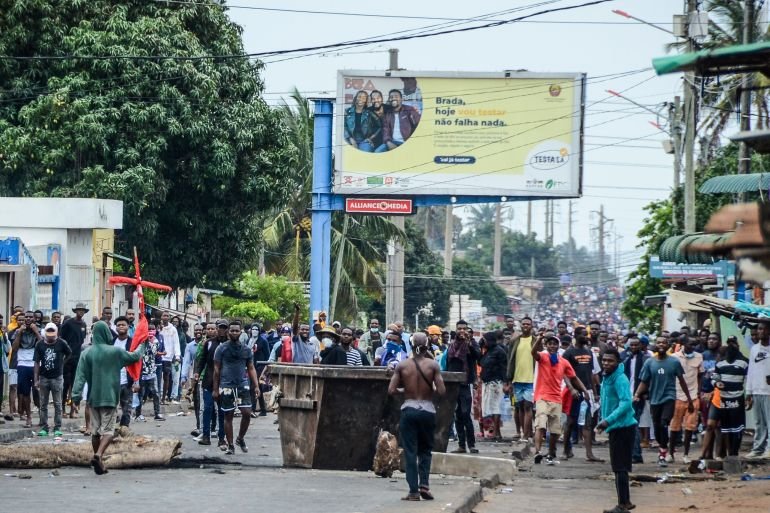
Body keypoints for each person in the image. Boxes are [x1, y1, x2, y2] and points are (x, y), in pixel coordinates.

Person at [71, 321, 146, 474]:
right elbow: (135, 356)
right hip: (110, 396)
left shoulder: (87, 353)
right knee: (109, 431)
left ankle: (98, 460)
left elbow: (79, 377)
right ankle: (98, 455)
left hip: (93, 398)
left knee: (95, 431)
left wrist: (76, 397)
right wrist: (142, 343)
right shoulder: (115, 352)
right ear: (107, 333)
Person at [388, 332, 445, 502]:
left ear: (411, 345)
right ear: (427, 346)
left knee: (410, 451)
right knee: (425, 450)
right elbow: (442, 391)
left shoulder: (402, 366)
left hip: (409, 410)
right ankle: (424, 485)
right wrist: (430, 390)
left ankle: (413, 491)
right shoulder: (433, 365)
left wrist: (405, 390)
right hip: (428, 411)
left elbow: (391, 390)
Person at [633, 336, 694, 468]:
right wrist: (637, 394)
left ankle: (662, 454)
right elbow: (644, 381)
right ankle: (663, 447)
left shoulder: (674, 362)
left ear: (668, 346)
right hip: (654, 399)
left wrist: (689, 399)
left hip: (669, 397)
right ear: (655, 345)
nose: (661, 344)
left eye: (664, 342)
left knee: (664, 422)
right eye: (659, 342)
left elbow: (682, 381)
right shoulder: (649, 362)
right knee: (657, 427)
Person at [531, 334, 589, 465]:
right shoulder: (543, 357)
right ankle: (537, 452)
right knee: (540, 425)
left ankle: (551, 453)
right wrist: (539, 339)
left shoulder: (563, 362)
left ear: (558, 346)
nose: (552, 346)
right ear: (546, 346)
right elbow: (533, 352)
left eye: (554, 344)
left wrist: (585, 391)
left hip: (557, 398)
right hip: (542, 397)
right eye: (550, 344)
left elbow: (573, 377)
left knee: (555, 430)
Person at [596, 348, 637, 513]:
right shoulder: (607, 377)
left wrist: (608, 420)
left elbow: (626, 403)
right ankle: (625, 502)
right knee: (619, 467)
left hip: (623, 427)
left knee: (620, 467)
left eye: (610, 360)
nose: (606, 363)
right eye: (604, 360)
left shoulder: (620, 379)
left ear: (618, 362)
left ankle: (623, 505)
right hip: (616, 427)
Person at [213, 321, 260, 455]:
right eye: (232, 330)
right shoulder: (221, 349)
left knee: (246, 413)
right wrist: (215, 389)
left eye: (237, 331)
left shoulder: (246, 350)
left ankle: (240, 438)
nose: (234, 333)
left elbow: (251, 368)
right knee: (228, 415)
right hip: (226, 386)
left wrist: (256, 386)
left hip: (242, 385)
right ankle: (231, 445)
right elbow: (216, 369)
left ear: (241, 332)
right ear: (228, 332)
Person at [562, 326, 603, 462]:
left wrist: (595, 392)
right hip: (573, 392)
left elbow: (591, 373)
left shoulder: (589, 352)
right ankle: (566, 449)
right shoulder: (569, 353)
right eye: (584, 335)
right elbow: (564, 373)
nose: (587, 337)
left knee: (588, 423)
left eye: (587, 334)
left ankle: (589, 454)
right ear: (576, 335)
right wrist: (571, 389)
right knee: (571, 421)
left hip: (588, 392)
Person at [447, 320, 480, 454]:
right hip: (454, 384)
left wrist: (469, 343)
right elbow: (449, 363)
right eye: (459, 328)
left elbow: (477, 357)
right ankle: (461, 445)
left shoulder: (472, 343)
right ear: (456, 329)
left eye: (464, 329)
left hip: (466, 383)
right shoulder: (452, 345)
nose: (461, 331)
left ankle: (471, 444)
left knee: (466, 414)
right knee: (457, 415)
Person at [669, 335, 704, 463]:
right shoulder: (674, 358)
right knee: (674, 426)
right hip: (678, 395)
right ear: (683, 344)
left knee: (690, 428)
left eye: (694, 345)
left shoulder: (699, 357)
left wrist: (698, 391)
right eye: (690, 344)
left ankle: (686, 454)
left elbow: (700, 375)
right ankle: (670, 453)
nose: (692, 347)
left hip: (693, 396)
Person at [33, 323, 72, 437]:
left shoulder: (61, 343)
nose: (50, 338)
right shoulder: (39, 344)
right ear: (45, 333)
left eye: (53, 336)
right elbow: (36, 362)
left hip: (57, 378)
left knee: (58, 404)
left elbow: (69, 353)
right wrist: (36, 379)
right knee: (43, 404)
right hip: (44, 377)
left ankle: (57, 427)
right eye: (48, 335)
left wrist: (62, 363)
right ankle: (44, 427)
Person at [713, 339, 749, 458]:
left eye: (733, 344)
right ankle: (730, 454)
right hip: (724, 399)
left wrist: (748, 395)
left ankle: (735, 452)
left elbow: (748, 380)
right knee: (726, 427)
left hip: (738, 398)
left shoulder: (744, 363)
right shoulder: (719, 364)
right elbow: (715, 378)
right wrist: (717, 383)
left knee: (738, 427)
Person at [196, 320, 227, 447]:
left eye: (224, 328)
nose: (221, 330)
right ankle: (206, 436)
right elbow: (202, 360)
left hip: (225, 382)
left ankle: (221, 438)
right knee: (207, 408)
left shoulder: (230, 344)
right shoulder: (208, 343)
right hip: (208, 381)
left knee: (222, 411)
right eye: (220, 327)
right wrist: (197, 373)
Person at [506, 316, 535, 441]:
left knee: (528, 406)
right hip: (517, 379)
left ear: (531, 326)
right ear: (521, 325)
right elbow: (510, 360)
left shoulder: (535, 341)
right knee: (519, 407)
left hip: (531, 380)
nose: (525, 326)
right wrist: (508, 380)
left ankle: (526, 434)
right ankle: (524, 432)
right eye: (524, 324)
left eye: (528, 324)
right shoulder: (515, 341)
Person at [10, 311, 42, 428]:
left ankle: (41, 415)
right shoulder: (18, 331)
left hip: (35, 363)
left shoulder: (38, 329)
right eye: (26, 318)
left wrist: (36, 331)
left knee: (37, 391)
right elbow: (14, 348)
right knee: (25, 392)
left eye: (30, 317)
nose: (28, 319)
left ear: (34, 319)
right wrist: (19, 333)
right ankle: (28, 417)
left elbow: (42, 344)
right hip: (22, 363)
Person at [622, 336, 651, 463]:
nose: (634, 347)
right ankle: (632, 452)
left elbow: (649, 378)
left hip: (638, 397)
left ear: (640, 346)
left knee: (634, 424)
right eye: (631, 345)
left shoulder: (646, 360)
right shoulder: (626, 359)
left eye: (636, 345)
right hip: (626, 396)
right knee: (628, 425)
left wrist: (644, 393)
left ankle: (636, 454)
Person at [746, 320, 770, 458]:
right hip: (756, 390)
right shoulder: (754, 349)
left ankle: (769, 449)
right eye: (759, 329)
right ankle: (758, 448)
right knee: (759, 422)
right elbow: (751, 371)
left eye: (764, 329)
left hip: (768, 391)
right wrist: (748, 392)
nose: (761, 332)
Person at [60, 303, 88, 419]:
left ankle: (72, 409)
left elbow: (82, 340)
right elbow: (61, 338)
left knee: (75, 385)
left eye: (82, 311)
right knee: (65, 384)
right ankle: (62, 409)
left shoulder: (83, 324)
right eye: (78, 310)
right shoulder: (68, 323)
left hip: (78, 357)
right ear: (75, 311)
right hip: (67, 357)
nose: (80, 312)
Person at [479, 330, 507, 441]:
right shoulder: (488, 351)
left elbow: (504, 368)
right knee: (491, 408)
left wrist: (506, 383)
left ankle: (497, 432)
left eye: (485, 340)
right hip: (488, 382)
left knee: (496, 407)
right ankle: (496, 431)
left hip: (496, 383)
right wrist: (481, 349)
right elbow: (481, 363)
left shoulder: (499, 351)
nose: (483, 342)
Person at [134, 324, 164, 422]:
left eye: (152, 329)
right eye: (149, 329)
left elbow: (153, 351)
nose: (151, 331)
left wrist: (148, 340)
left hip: (151, 371)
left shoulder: (156, 341)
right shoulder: (141, 341)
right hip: (141, 371)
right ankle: (138, 414)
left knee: (156, 393)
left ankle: (157, 413)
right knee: (141, 394)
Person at [112, 316, 134, 432]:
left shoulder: (132, 343)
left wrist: (136, 381)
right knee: (112, 408)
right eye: (119, 325)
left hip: (127, 381)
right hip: (113, 381)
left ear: (128, 327)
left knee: (127, 408)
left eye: (123, 325)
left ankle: (124, 431)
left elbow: (137, 363)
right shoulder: (111, 342)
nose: (121, 327)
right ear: (115, 327)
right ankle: (112, 432)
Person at [159, 312, 181, 404]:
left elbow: (176, 343)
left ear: (169, 318)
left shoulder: (173, 329)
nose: (165, 317)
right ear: (161, 317)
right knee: (159, 378)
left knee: (168, 377)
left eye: (167, 316)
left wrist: (177, 355)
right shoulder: (159, 328)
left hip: (169, 357)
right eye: (164, 315)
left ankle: (169, 396)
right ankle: (160, 396)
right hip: (159, 356)